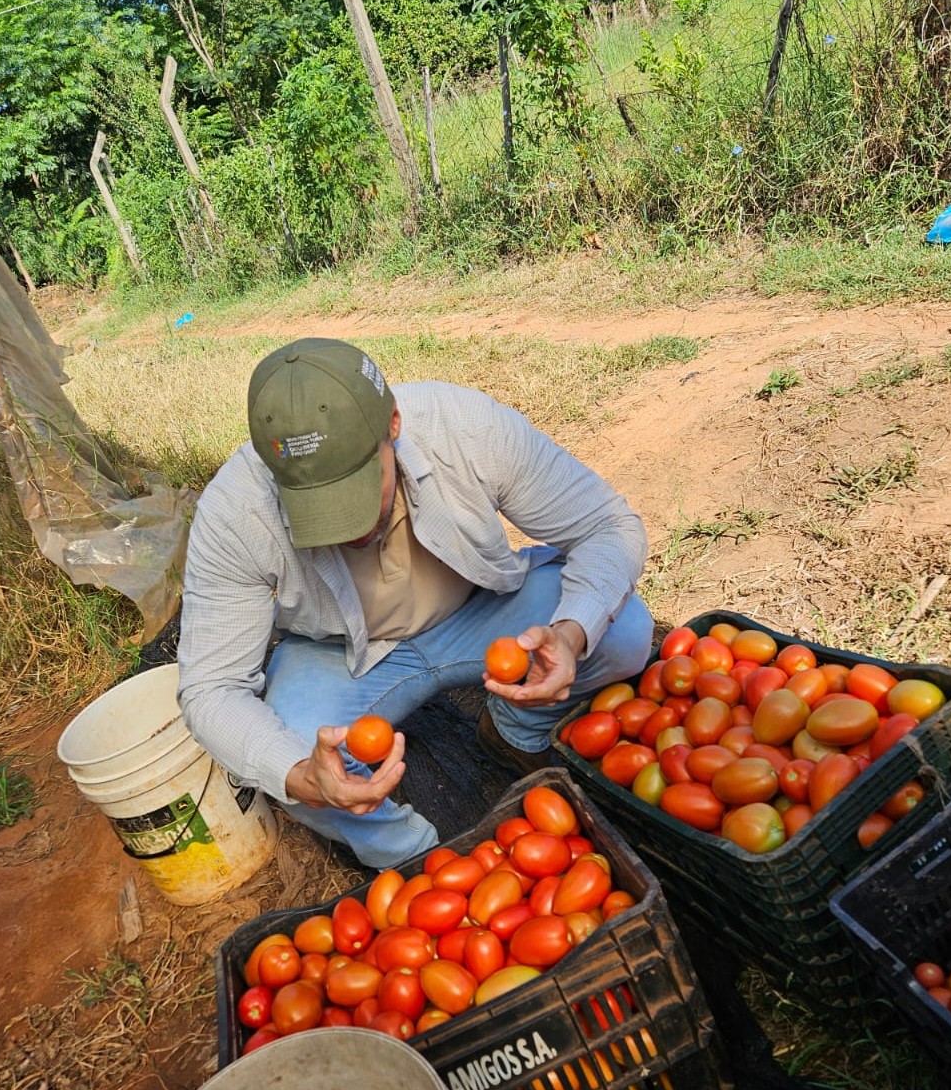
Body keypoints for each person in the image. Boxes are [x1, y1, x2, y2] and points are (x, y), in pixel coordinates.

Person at [176, 337, 653, 869]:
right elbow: (211, 688)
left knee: (622, 633)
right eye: (317, 507)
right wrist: (300, 774)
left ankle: (514, 730)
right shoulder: (236, 512)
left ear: (394, 426)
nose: (350, 528)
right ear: (273, 473)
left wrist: (568, 633)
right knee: (295, 766)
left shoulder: (465, 429)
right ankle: (424, 864)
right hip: (340, 657)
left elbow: (608, 525)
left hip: (481, 612)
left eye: (359, 488)